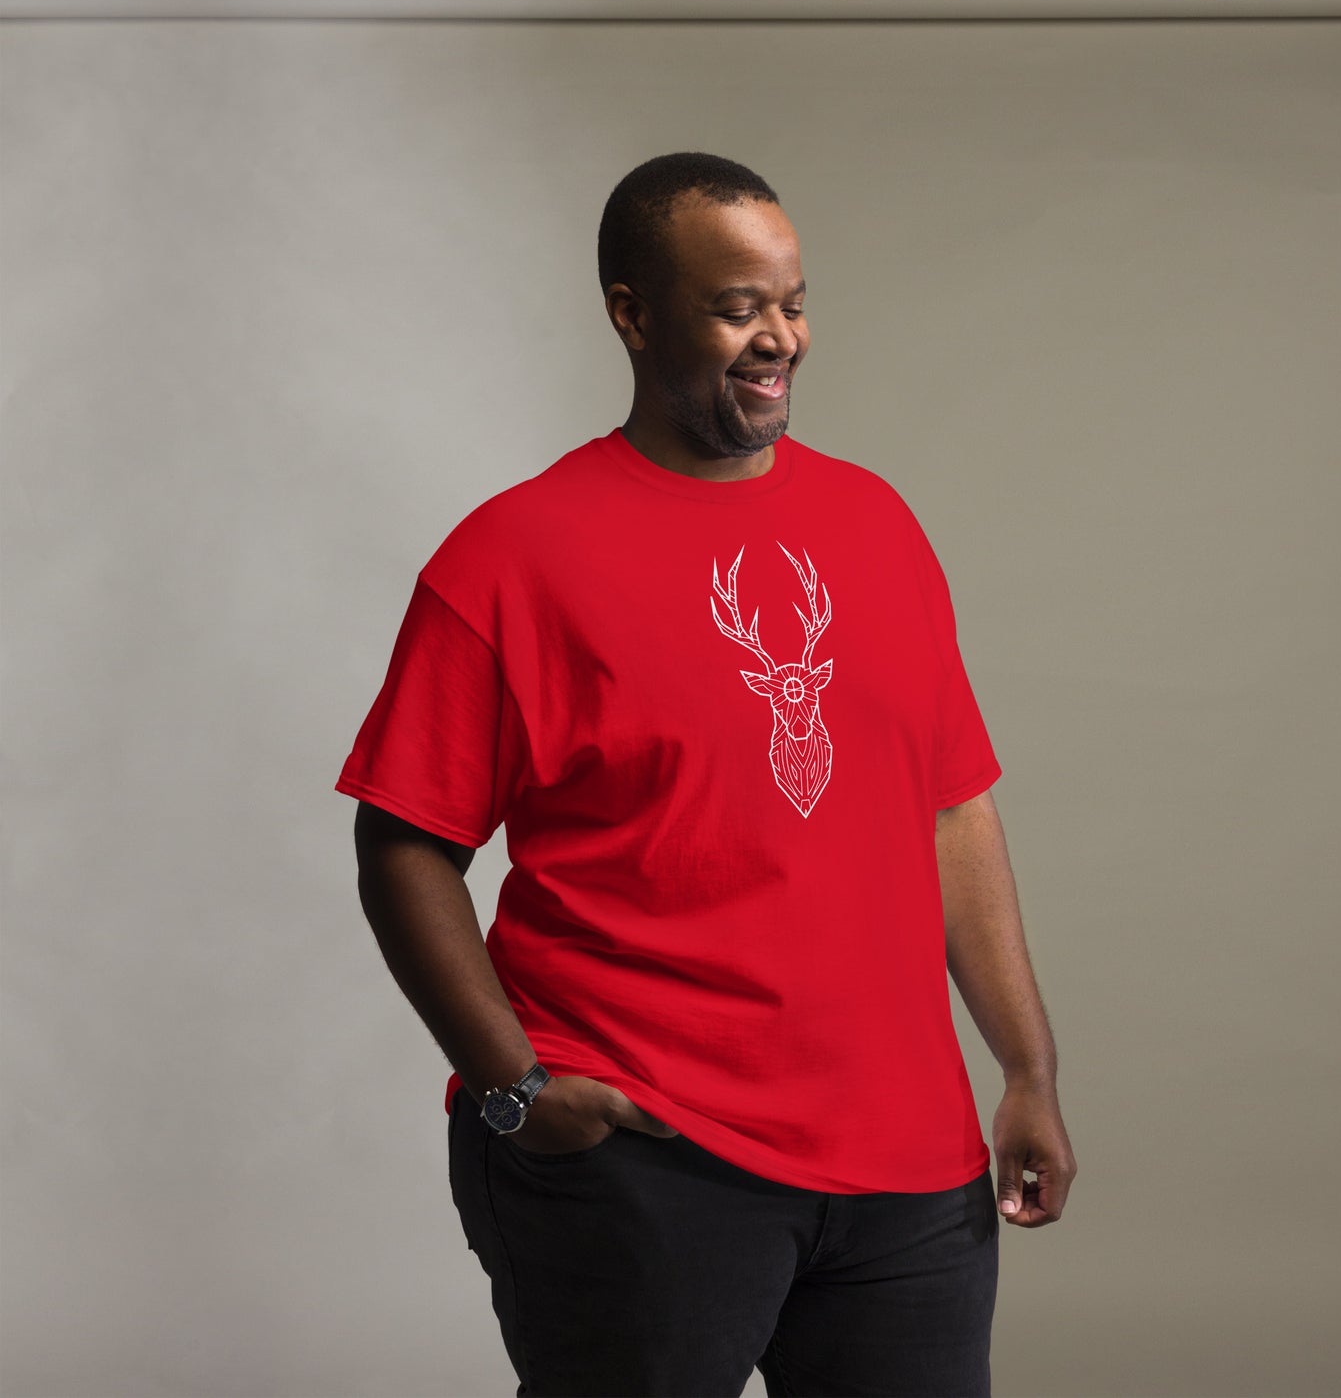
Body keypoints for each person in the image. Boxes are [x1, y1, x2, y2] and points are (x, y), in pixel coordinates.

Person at [337, 150, 1076, 1398]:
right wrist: (517, 1090)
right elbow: (403, 842)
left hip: (907, 1168)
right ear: (632, 312)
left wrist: (1026, 1071)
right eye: (737, 306)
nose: (776, 336)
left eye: (790, 301)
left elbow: (950, 807)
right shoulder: (512, 557)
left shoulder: (878, 525)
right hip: (646, 1157)